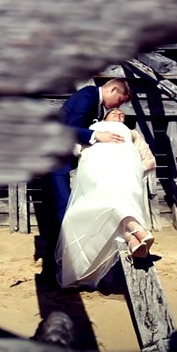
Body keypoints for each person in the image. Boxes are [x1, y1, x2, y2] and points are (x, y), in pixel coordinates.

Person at [55, 108, 156, 289]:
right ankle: (135, 234)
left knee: (112, 199)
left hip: (123, 168)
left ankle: (134, 237)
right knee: (84, 212)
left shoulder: (132, 133)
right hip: (96, 167)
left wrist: (132, 169)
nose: (119, 114)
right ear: (104, 116)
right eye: (114, 112)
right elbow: (76, 147)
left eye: (122, 114)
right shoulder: (94, 128)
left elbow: (149, 160)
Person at [40, 79, 131, 280]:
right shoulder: (89, 96)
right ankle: (69, 267)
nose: (118, 106)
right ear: (113, 89)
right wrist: (97, 134)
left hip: (60, 161)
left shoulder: (94, 104)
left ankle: (54, 270)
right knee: (65, 213)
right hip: (54, 160)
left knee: (58, 215)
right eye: (119, 100)